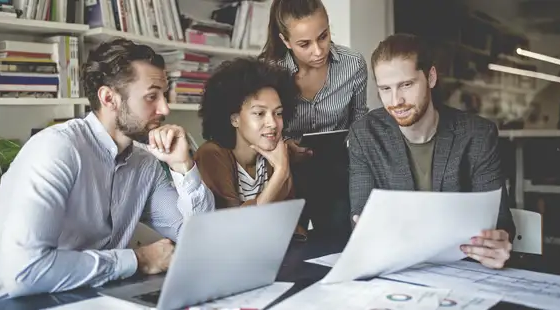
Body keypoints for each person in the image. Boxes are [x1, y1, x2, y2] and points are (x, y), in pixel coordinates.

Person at [0, 38, 215, 305]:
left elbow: (197, 237)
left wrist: (182, 167)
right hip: (8, 301)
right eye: (151, 96)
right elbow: (25, 272)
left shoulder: (144, 163)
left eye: (164, 95)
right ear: (108, 98)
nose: (165, 109)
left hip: (88, 296)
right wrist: (138, 259)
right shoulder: (57, 149)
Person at [348, 33, 516, 269]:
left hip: (465, 272)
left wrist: (498, 244)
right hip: (399, 272)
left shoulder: (478, 135)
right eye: (385, 89)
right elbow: (361, 218)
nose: (396, 101)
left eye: (406, 85)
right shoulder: (364, 135)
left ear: (431, 77)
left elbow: (500, 221)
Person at [259, 0, 369, 237]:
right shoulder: (268, 71)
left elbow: (360, 121)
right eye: (304, 44)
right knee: (286, 245)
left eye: (323, 36)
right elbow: (257, 126)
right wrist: (283, 145)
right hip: (285, 172)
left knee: (339, 241)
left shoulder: (353, 64)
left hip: (337, 172)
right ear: (285, 41)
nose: (318, 50)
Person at [193, 57, 307, 239]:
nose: (272, 123)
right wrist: (280, 174)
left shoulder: (275, 153)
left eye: (278, 113)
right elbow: (237, 228)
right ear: (234, 119)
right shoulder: (211, 155)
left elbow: (287, 221)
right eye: (259, 113)